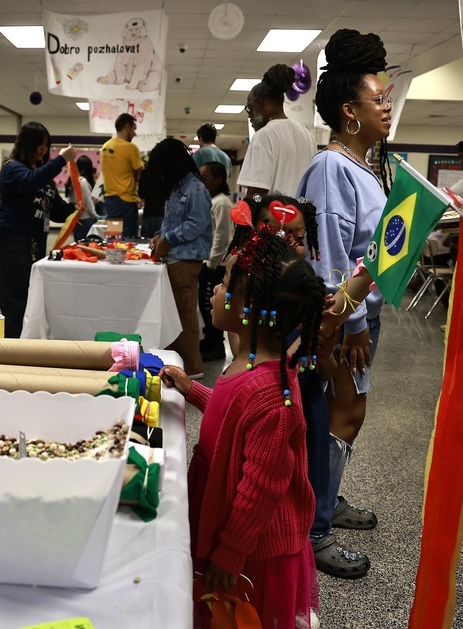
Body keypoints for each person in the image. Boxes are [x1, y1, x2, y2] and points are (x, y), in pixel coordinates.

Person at [160, 227, 326, 629]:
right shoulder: (249, 363)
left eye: (224, 282)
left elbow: (262, 487)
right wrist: (192, 389)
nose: (214, 290)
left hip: (254, 547)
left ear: (249, 306)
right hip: (231, 516)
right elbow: (230, 412)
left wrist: (231, 552)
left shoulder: (271, 395)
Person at [295, 28, 390, 578]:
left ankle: (326, 501)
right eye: (379, 101)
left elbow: (371, 246)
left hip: (360, 315)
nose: (388, 107)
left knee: (342, 414)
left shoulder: (361, 166)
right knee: (339, 414)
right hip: (339, 320)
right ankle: (315, 529)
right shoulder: (332, 168)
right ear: (349, 112)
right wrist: (352, 322)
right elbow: (332, 257)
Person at [0, 123, 76, 338]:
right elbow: (29, 182)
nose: (43, 149)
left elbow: (55, 210)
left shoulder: (42, 176)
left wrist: (77, 210)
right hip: (12, 243)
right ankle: (14, 348)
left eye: (47, 145)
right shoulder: (12, 169)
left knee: (32, 298)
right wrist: (60, 160)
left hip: (35, 244)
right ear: (27, 144)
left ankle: (28, 345)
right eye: (39, 144)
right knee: (15, 301)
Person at [147, 138, 212, 379]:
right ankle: (176, 363)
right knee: (173, 315)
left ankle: (193, 368)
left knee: (184, 315)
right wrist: (159, 237)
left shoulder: (195, 188)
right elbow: (171, 222)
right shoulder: (178, 187)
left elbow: (197, 224)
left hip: (186, 260)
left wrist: (169, 239)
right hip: (174, 259)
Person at [236, 64, 318, 198]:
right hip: (302, 216)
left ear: (259, 104)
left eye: (250, 108)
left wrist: (242, 215)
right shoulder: (308, 136)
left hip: (274, 217)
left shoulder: (264, 135)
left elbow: (257, 192)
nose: (250, 115)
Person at [197, 161, 235, 362]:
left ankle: (216, 345)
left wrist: (211, 263)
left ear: (219, 180)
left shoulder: (222, 203)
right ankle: (209, 339)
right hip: (210, 260)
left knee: (209, 303)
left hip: (217, 264)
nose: (203, 182)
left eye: (206, 178)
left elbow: (222, 236)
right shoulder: (214, 201)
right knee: (204, 304)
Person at [100, 113, 144, 237]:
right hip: (126, 200)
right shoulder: (130, 148)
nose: (134, 134)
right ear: (127, 127)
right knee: (128, 239)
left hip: (110, 200)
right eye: (134, 129)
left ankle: (113, 257)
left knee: (114, 237)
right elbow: (139, 171)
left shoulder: (105, 146)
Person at [67, 154, 99, 241]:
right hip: (85, 219)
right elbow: (88, 203)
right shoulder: (82, 181)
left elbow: (77, 200)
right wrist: (97, 217)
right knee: (87, 246)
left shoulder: (73, 180)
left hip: (76, 220)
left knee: (79, 245)